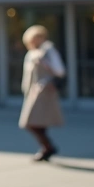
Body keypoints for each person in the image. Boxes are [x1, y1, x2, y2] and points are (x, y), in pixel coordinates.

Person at [19, 25, 65, 162]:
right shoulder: (31, 53)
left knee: (30, 122)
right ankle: (46, 148)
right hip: (32, 91)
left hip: (43, 92)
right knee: (38, 122)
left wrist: (45, 64)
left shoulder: (48, 51)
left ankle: (47, 146)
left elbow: (60, 71)